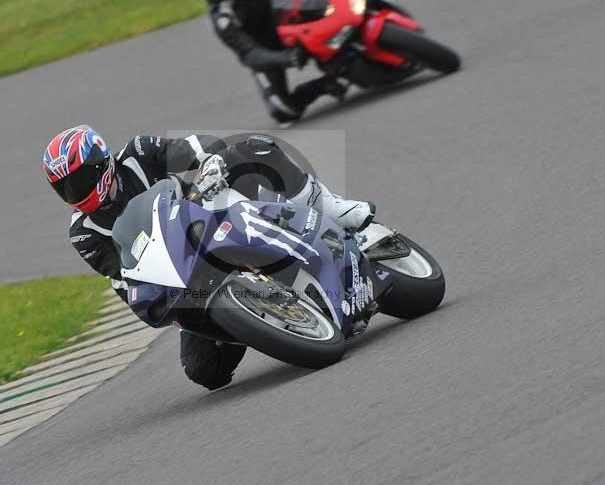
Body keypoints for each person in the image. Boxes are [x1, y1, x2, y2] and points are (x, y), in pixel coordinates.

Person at [43, 125, 374, 389]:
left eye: (80, 180)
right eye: (65, 187)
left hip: (207, 215)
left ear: (101, 164)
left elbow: (192, 149)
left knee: (253, 147)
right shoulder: (84, 233)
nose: (75, 192)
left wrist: (209, 164)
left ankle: (331, 208)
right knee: (204, 372)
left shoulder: (137, 152)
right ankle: (259, 313)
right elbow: (122, 277)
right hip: (183, 277)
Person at [205, 0, 350, 123]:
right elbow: (250, 55)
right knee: (284, 111)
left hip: (293, 24)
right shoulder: (223, 17)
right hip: (266, 50)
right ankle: (321, 86)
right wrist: (287, 58)